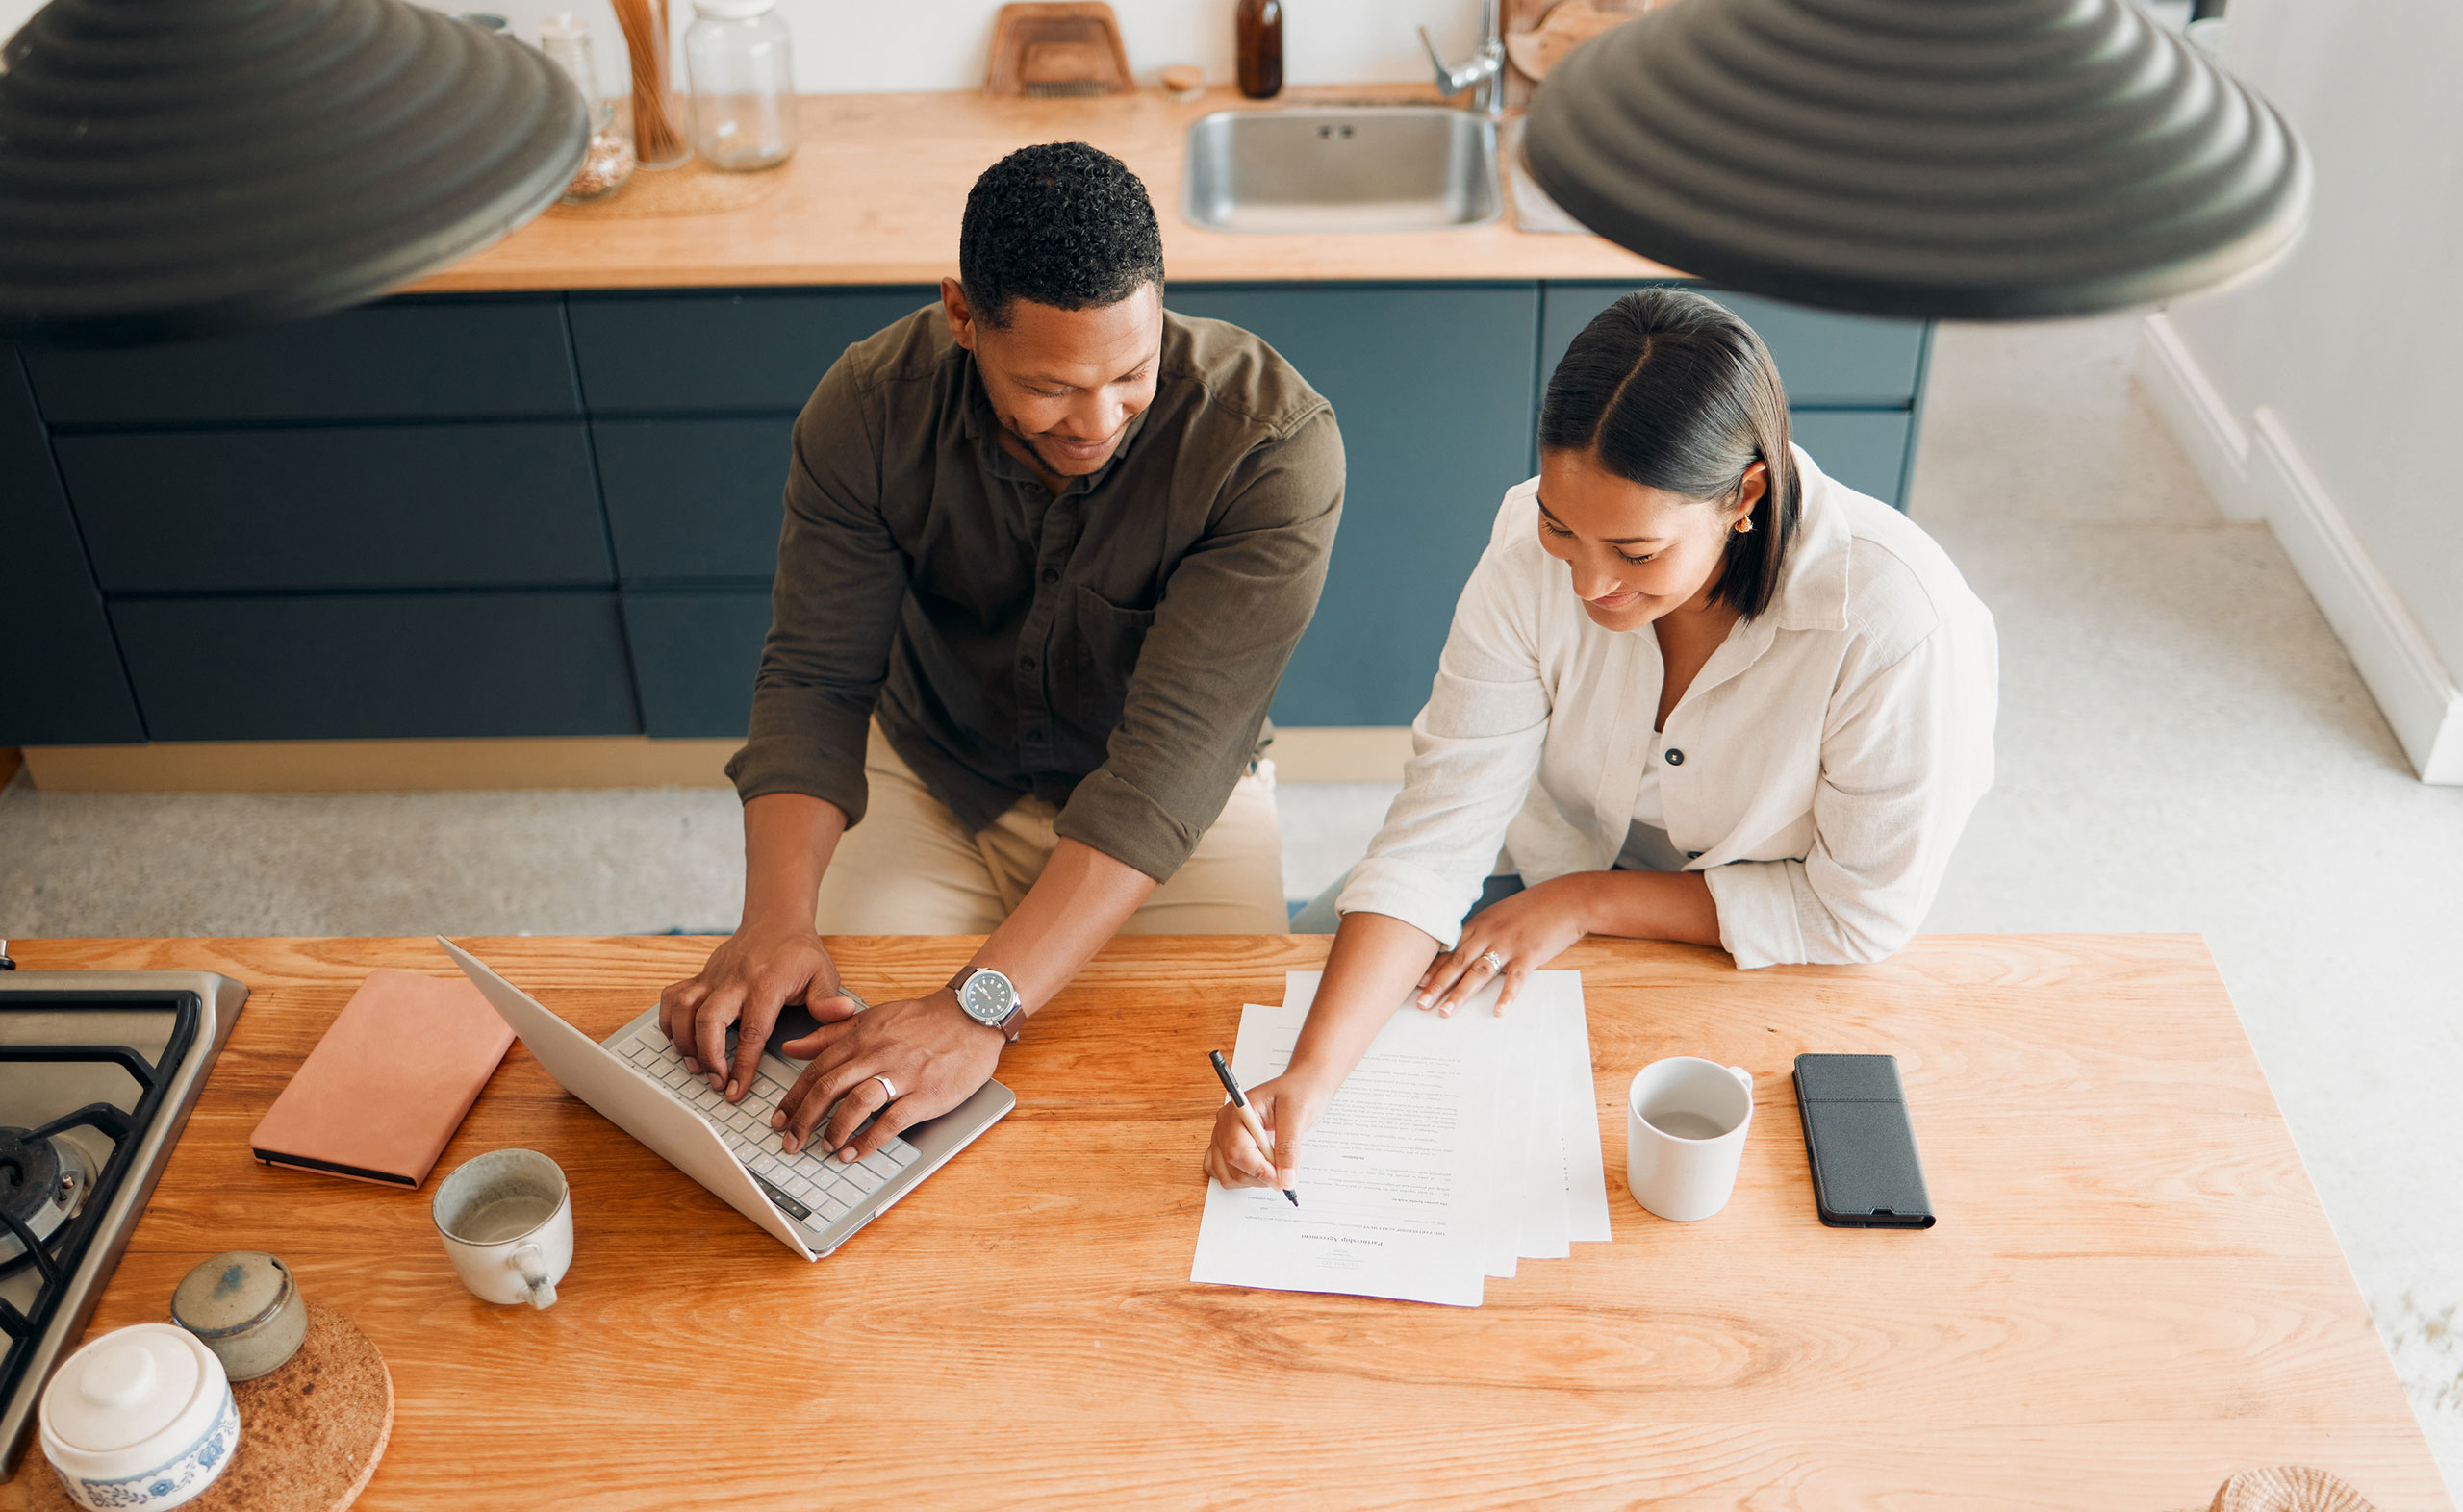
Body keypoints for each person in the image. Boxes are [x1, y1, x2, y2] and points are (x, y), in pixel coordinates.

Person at [1206, 288, 1996, 1195]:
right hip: (1534, 861)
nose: (1586, 581)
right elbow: (1438, 832)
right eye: (1560, 524)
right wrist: (1310, 1079)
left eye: (1636, 551)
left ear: (1745, 494)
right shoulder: (1527, 553)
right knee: (1297, 970)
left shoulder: (1894, 620)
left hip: (1764, 926)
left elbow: (1859, 912)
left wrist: (1588, 903)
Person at [662, 142, 1343, 1169]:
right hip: (939, 769)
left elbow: (1165, 771)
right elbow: (814, 677)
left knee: (1205, 1100)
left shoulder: (1269, 449)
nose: (1099, 420)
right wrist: (772, 922)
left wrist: (980, 1005)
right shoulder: (867, 409)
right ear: (962, 317)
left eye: (1130, 372)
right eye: (1053, 388)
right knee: (843, 1078)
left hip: (1178, 803)